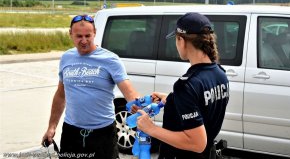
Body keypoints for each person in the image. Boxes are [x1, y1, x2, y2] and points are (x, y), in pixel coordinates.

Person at [41, 15, 140, 159]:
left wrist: (137, 103)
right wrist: (52, 127)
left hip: (103, 133)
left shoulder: (110, 59)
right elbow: (61, 94)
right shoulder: (66, 58)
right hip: (71, 132)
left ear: (95, 33)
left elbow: (128, 90)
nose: (84, 40)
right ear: (70, 34)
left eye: (88, 35)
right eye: (78, 36)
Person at [137, 12, 229, 159]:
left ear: (181, 40)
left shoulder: (186, 85)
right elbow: (203, 106)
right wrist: (173, 100)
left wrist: (151, 129)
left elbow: (197, 143)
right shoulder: (220, 74)